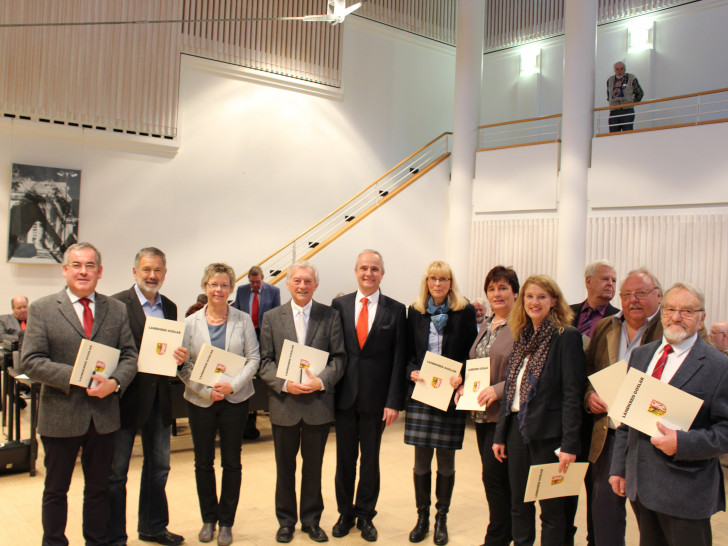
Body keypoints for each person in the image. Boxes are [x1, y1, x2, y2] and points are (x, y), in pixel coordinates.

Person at [20, 242, 138, 545]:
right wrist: (76, 376)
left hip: (103, 416)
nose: (83, 271)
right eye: (76, 265)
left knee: (99, 489)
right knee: (56, 490)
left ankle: (96, 541)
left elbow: (129, 356)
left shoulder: (116, 309)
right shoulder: (43, 308)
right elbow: (31, 361)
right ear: (65, 269)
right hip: (60, 414)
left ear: (99, 271)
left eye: (89, 266)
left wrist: (116, 383)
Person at [609, 282, 728, 546]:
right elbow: (627, 419)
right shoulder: (641, 356)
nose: (676, 317)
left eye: (687, 311)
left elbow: (725, 431)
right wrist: (618, 467)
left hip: (686, 490)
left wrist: (682, 443)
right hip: (642, 487)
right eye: (670, 309)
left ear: (701, 318)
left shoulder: (719, 366)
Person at [492, 275, 585, 546]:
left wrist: (569, 444)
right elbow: (511, 389)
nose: (535, 302)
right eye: (530, 296)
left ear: (554, 301)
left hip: (550, 438)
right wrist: (500, 435)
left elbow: (572, 395)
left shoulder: (566, 337)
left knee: (552, 511)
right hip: (517, 433)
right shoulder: (522, 337)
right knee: (519, 505)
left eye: (542, 296)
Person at [258, 261, 346, 544]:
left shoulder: (330, 316)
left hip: (317, 405)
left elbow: (339, 358)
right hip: (284, 405)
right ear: (288, 283)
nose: (302, 286)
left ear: (316, 285)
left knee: (313, 468)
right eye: (297, 280)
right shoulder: (272, 317)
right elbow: (264, 361)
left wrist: (320, 381)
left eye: (308, 281)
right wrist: (284, 384)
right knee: (284, 468)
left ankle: (311, 520)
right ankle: (286, 521)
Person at [108, 248, 188, 546]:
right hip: (124, 399)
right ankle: (114, 535)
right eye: (146, 269)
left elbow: (167, 353)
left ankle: (153, 526)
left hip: (159, 400)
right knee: (116, 473)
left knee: (159, 468)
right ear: (135, 272)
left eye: (158, 270)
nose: (152, 275)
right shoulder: (116, 304)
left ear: (164, 274)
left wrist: (179, 357)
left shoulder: (170, 306)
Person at [178, 263, 260, 546]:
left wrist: (233, 385)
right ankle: (208, 519)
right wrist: (203, 391)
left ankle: (226, 522)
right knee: (203, 462)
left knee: (232, 462)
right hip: (200, 401)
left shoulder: (243, 320)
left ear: (230, 289)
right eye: (214, 284)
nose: (218, 290)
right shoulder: (190, 323)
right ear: (205, 287)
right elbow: (184, 365)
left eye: (224, 285)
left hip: (235, 400)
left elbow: (254, 359)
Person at [330, 250, 407, 542]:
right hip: (345, 398)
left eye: (374, 269)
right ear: (355, 271)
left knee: (370, 461)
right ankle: (344, 513)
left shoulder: (396, 310)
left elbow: (399, 359)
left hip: (377, 401)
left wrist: (393, 401)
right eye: (363, 268)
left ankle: (365, 515)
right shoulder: (339, 305)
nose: (368, 273)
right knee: (344, 460)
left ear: (382, 274)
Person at [583, 268, 663, 546]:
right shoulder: (606, 326)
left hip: (649, 439)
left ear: (658, 296)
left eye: (641, 293)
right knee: (604, 515)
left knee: (651, 517)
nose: (633, 300)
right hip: (609, 435)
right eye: (627, 294)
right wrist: (590, 396)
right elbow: (590, 370)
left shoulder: (669, 330)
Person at [405, 260, 477, 546]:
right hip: (423, 392)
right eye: (433, 279)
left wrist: (462, 373)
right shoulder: (416, 311)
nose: (438, 284)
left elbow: (472, 351)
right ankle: (422, 517)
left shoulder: (464, 310)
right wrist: (410, 370)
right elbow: (408, 352)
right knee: (421, 458)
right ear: (426, 282)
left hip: (449, 392)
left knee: (446, 459)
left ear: (451, 282)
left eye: (443, 279)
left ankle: (441, 518)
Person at [463, 266, 519, 546]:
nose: (497, 294)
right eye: (492, 289)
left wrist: (497, 390)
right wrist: (463, 383)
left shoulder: (521, 326)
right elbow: (478, 364)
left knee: (497, 481)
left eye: (503, 288)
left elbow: (528, 374)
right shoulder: (486, 324)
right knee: (492, 479)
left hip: (505, 417)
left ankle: (497, 537)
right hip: (482, 414)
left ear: (515, 293)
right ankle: (502, 532)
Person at [570, 260, 618, 339]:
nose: (610, 284)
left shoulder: (619, 319)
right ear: (588, 281)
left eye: (614, 280)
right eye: (605, 279)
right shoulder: (567, 312)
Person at [232, 265, 281, 336]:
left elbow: (277, 314)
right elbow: (236, 311)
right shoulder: (241, 290)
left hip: (265, 332)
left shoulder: (273, 291)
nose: (255, 285)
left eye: (258, 282)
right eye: (252, 282)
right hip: (245, 331)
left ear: (262, 279)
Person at [607, 61, 644, 132]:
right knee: (613, 135)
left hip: (627, 111)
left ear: (625, 69)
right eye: (617, 69)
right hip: (614, 111)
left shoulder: (631, 78)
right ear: (614, 70)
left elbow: (640, 93)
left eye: (621, 69)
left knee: (627, 133)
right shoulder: (610, 80)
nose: (619, 71)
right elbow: (609, 95)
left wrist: (632, 103)